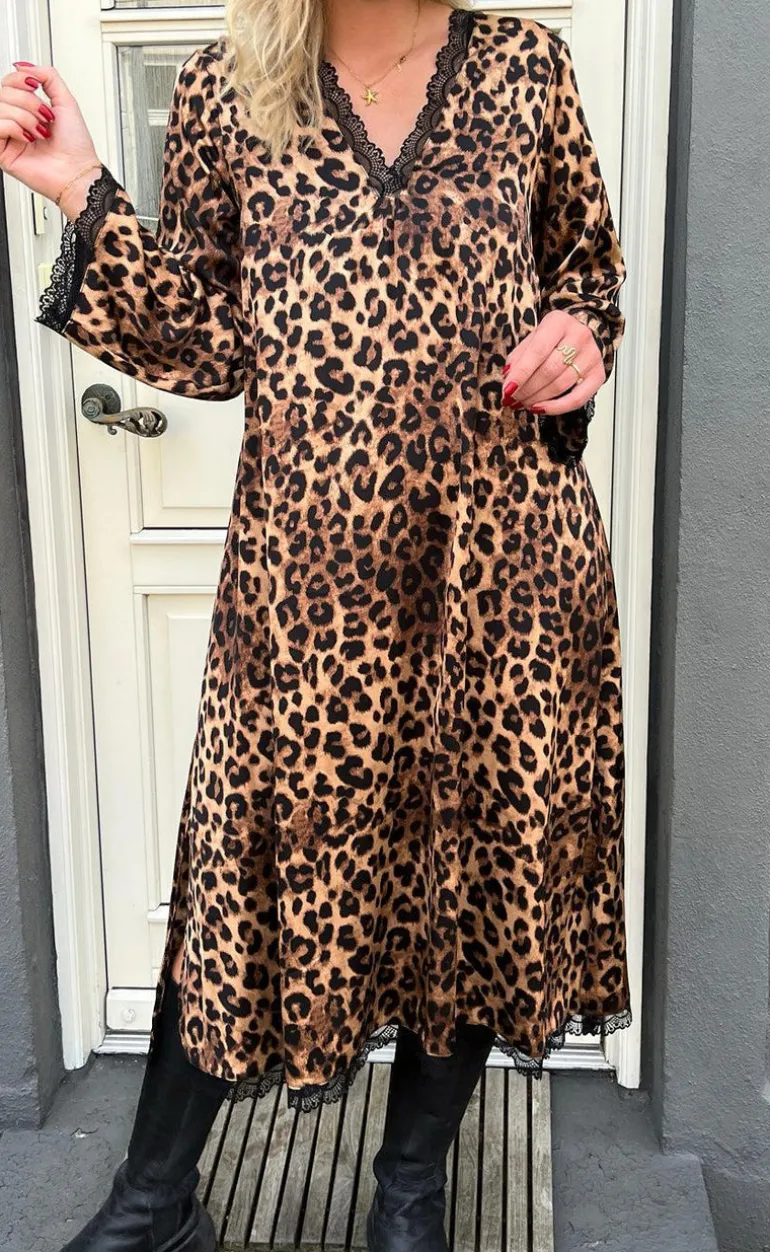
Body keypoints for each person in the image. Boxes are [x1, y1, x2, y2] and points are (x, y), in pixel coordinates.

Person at [0, 1, 632, 1249]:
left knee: (474, 871)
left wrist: (579, 338)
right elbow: (208, 340)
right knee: (238, 878)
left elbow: (587, 271)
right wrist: (77, 186)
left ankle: (409, 1189)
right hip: (304, 591)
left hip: (502, 573)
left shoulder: (526, 64)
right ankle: (153, 1201)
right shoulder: (226, 85)